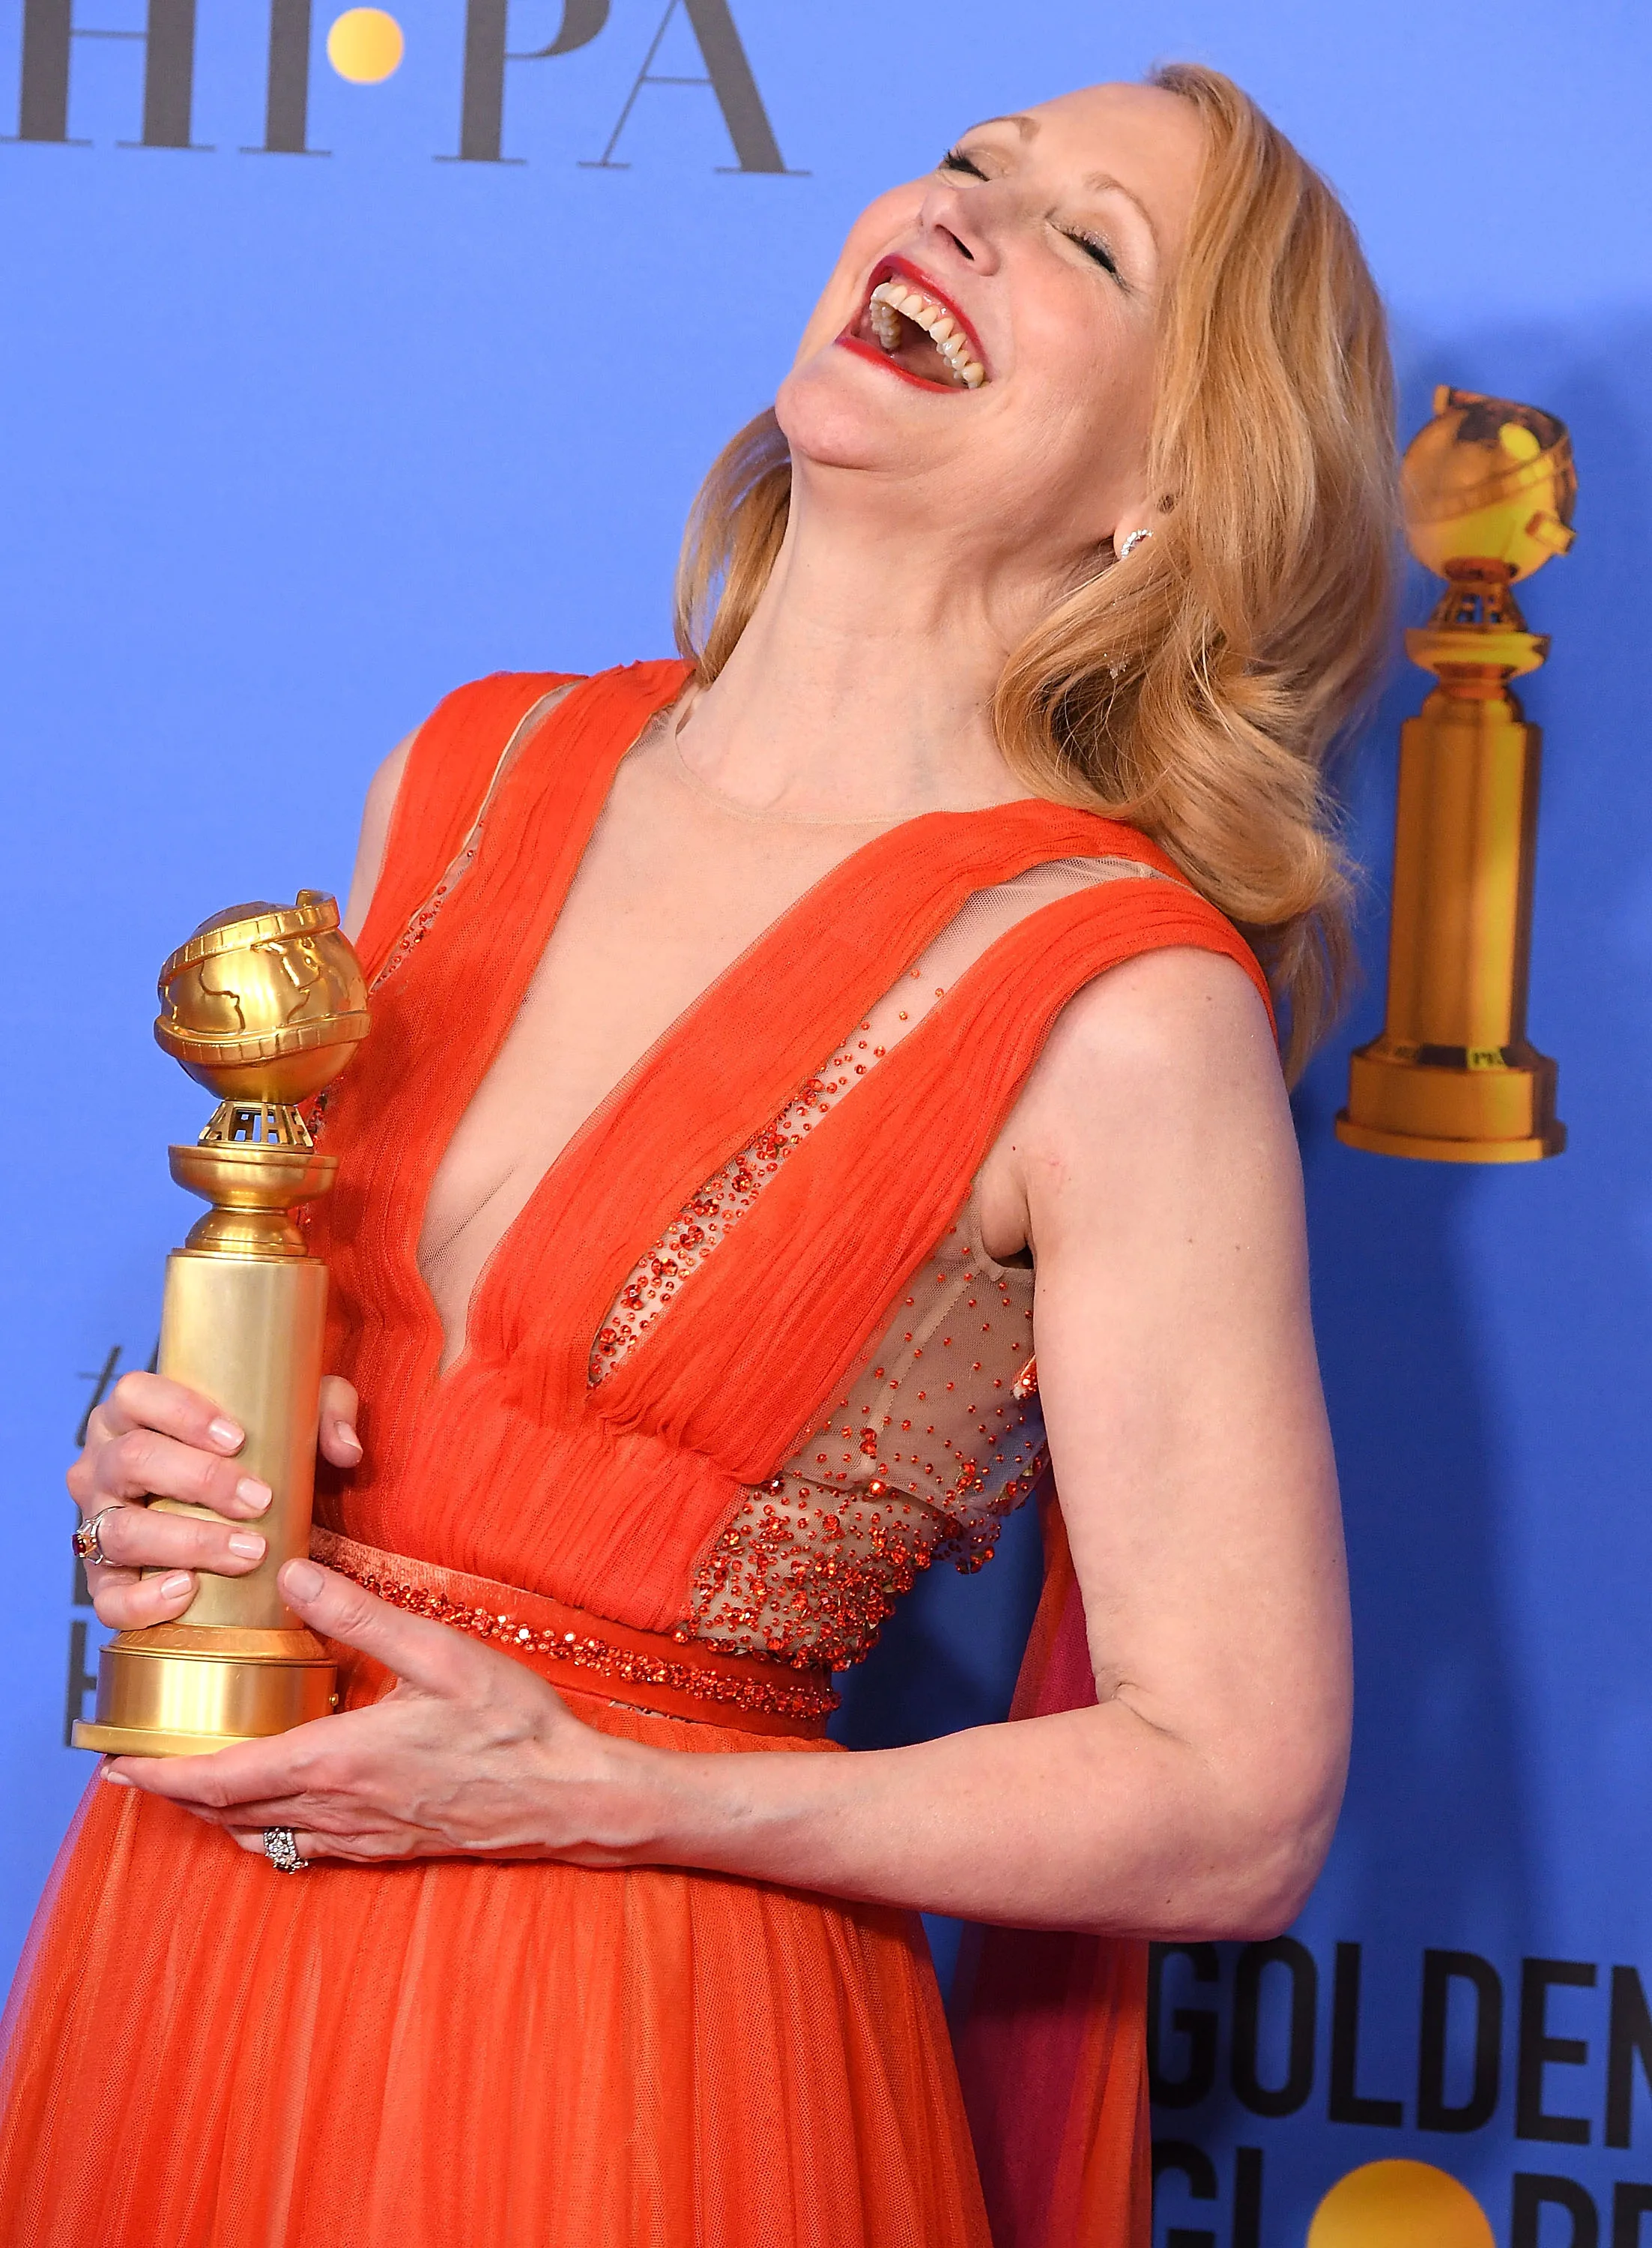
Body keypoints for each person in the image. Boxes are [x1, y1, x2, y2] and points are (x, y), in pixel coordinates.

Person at [0, 64, 1395, 2248]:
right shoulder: (469, 767)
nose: (972, 218)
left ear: (1167, 486)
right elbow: (349, 1403)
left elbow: (1228, 1807)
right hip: (197, 1941)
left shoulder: (1122, 1008)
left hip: (634, 2057)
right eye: (970, 163)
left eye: (1091, 244)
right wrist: (170, 1479)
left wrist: (597, 1792)